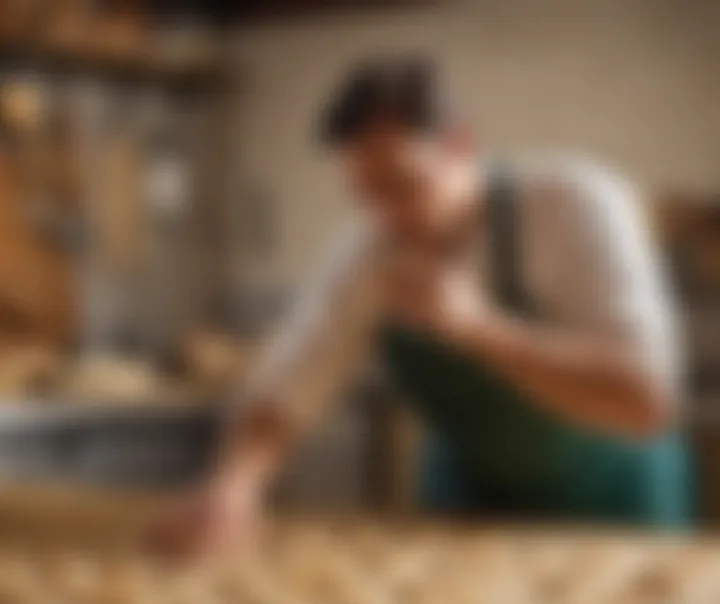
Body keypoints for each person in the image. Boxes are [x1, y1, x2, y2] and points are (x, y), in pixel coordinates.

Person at [150, 57, 693, 556]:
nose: (388, 216)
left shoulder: (574, 204)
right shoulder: (370, 251)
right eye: (367, 195)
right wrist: (233, 486)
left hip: (612, 501)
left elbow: (644, 399)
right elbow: (288, 389)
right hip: (476, 500)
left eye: (405, 186)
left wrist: (480, 328)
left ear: (460, 144)